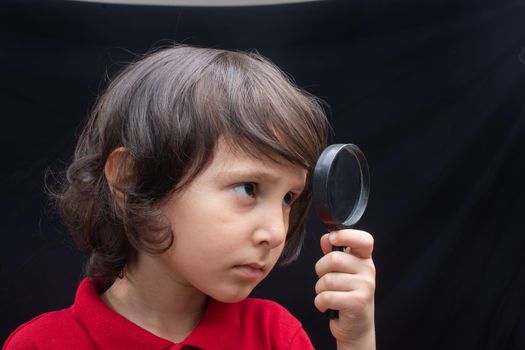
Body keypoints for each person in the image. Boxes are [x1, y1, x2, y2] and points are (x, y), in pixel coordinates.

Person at [3, 45, 376, 349]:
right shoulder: (42, 345)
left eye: (289, 198)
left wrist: (357, 340)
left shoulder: (275, 335)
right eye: (249, 188)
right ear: (131, 180)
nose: (276, 233)